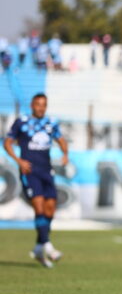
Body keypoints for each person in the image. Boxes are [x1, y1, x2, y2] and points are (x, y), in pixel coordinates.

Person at [3, 93, 68, 268]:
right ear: (32, 105)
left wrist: (65, 154)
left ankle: (39, 248)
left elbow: (61, 139)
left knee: (50, 209)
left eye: (43, 105)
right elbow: (7, 142)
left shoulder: (50, 123)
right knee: (38, 205)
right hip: (30, 171)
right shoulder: (22, 122)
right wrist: (19, 161)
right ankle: (48, 246)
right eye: (38, 104)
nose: (40, 107)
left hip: (47, 171)